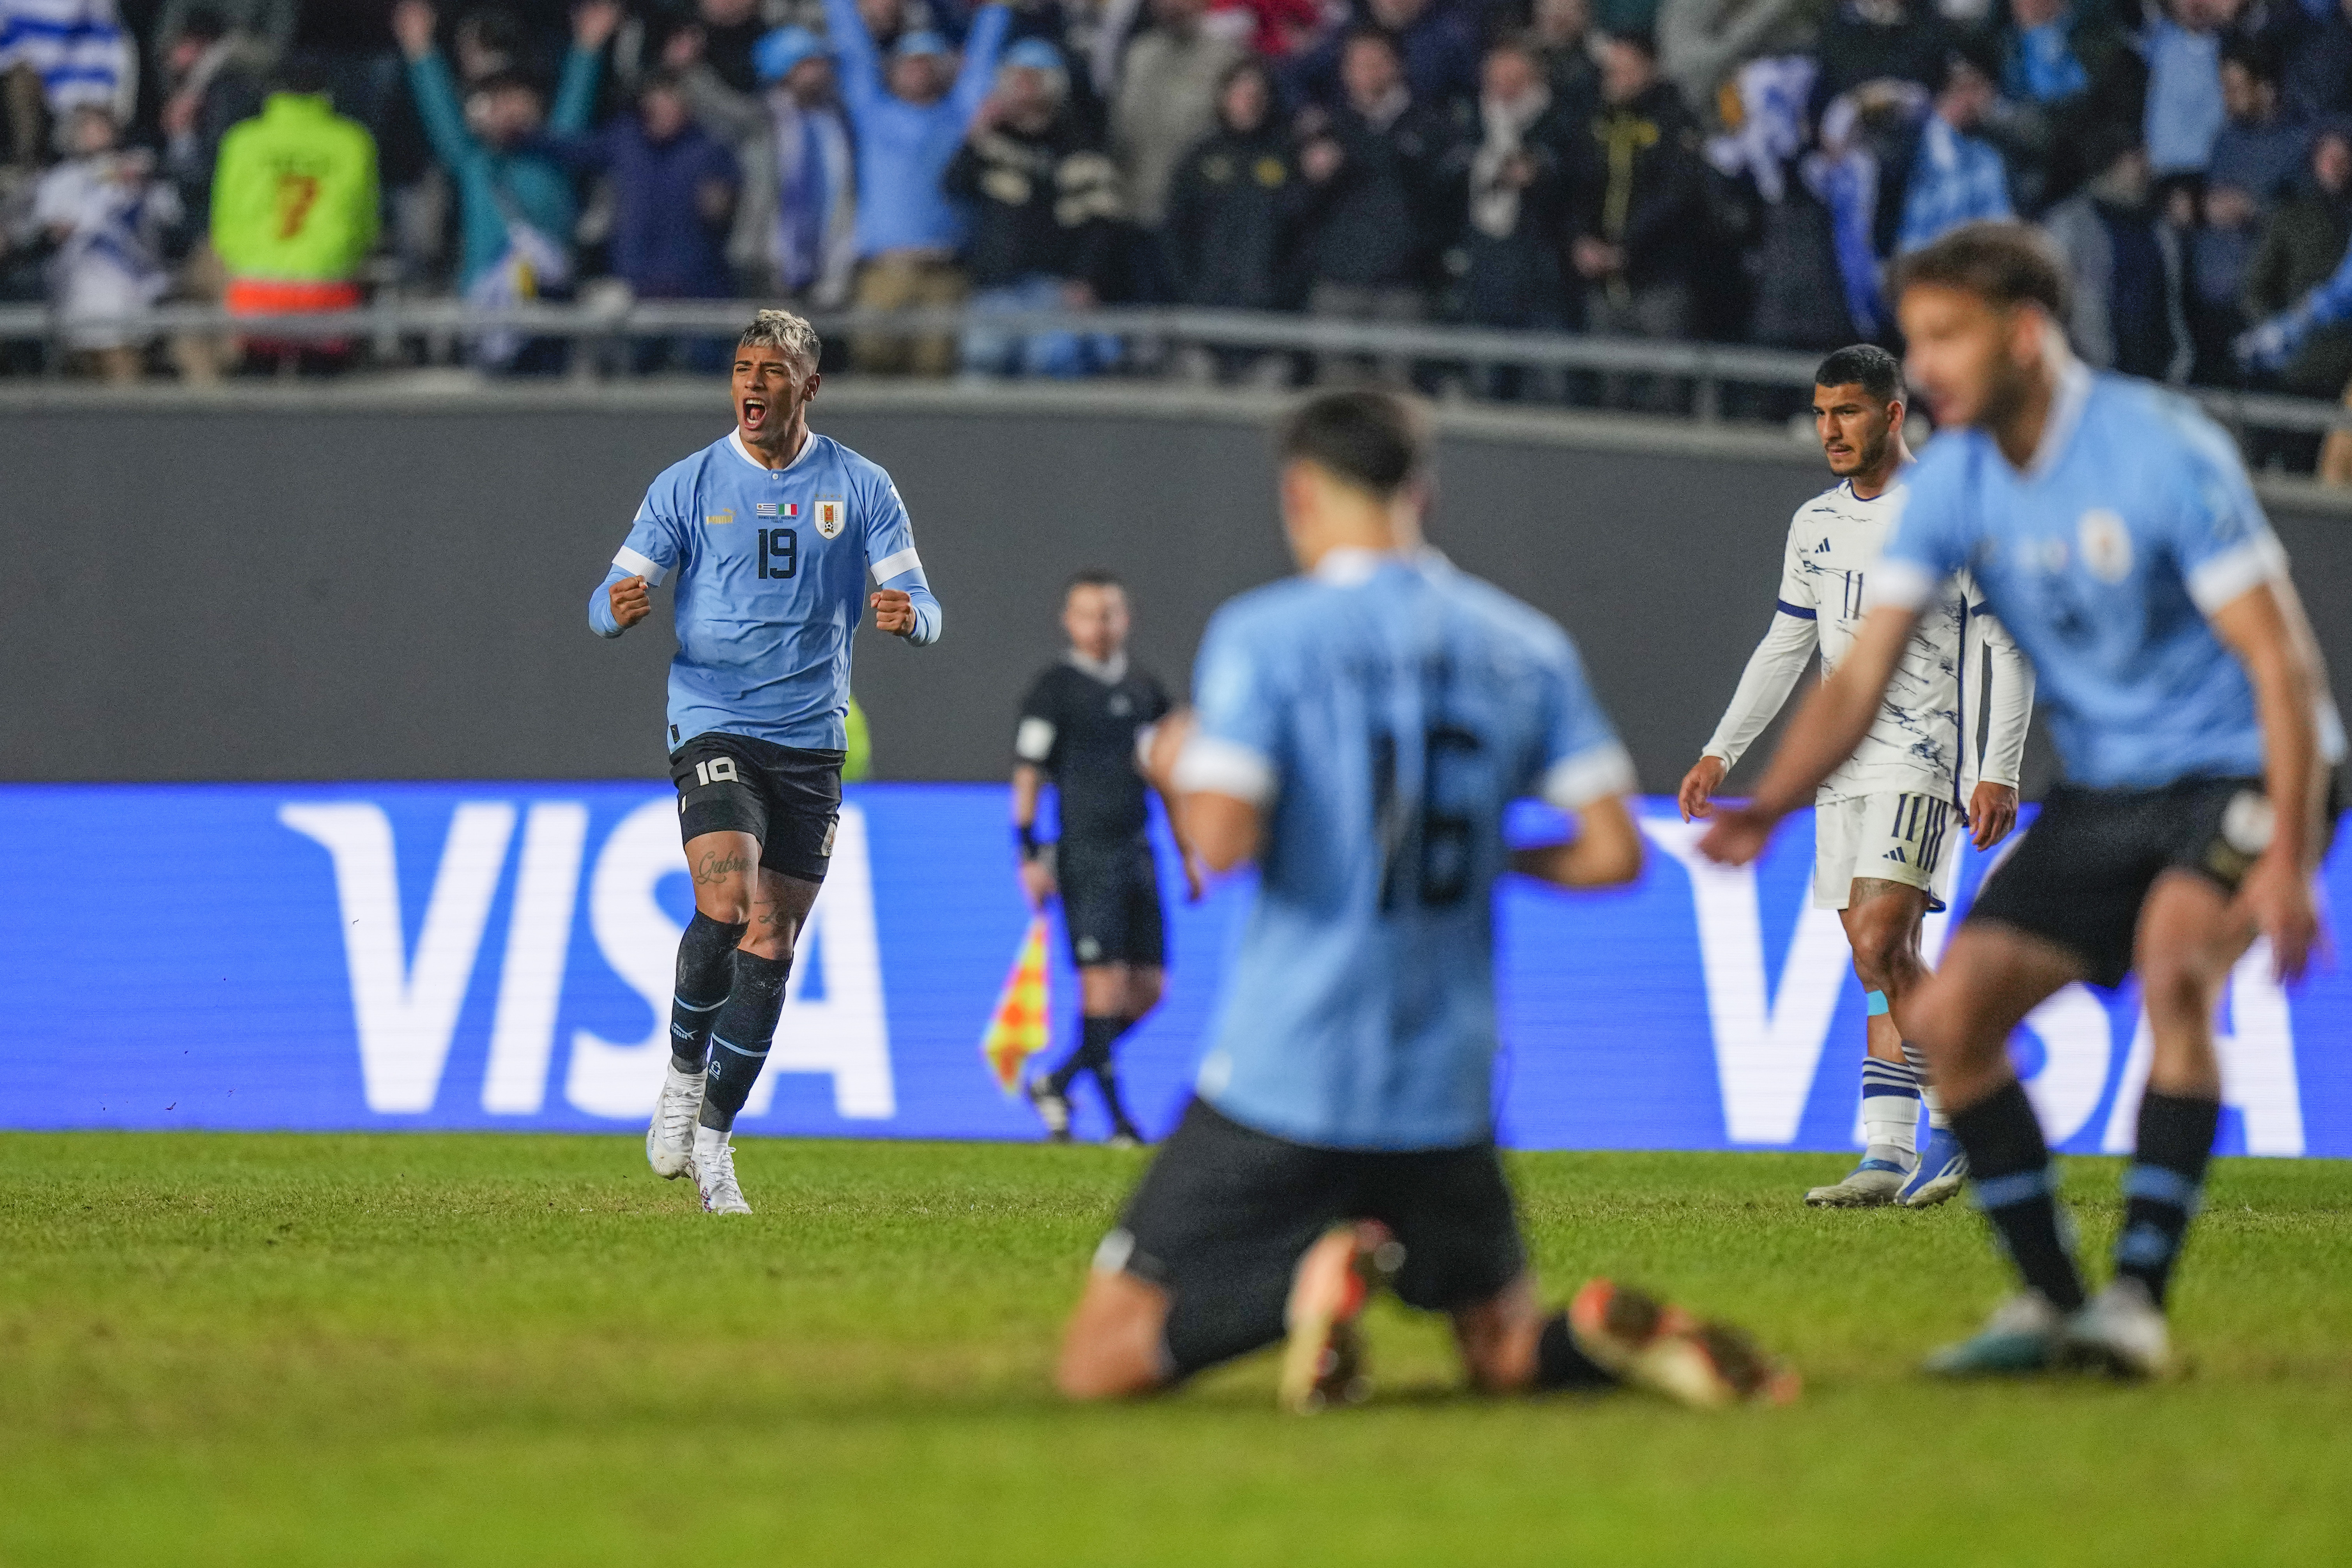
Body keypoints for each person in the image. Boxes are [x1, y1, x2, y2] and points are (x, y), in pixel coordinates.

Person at [1055, 390, 1796, 1413]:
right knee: (1502, 1352)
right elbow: (1614, 852)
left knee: (1102, 1358)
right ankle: (1591, 1330)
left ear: (1300, 494)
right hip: (1444, 1077)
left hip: (1289, 1066)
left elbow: (1219, 844)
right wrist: (1499, 859)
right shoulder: (1520, 643)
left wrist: (1175, 764)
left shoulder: (1266, 636)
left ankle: (1310, 1278)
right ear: (1423, 492)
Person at [1701, 221, 2342, 1379]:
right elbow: (1857, 672)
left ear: (2026, 333)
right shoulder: (1951, 479)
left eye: (1945, 337)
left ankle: (2136, 1300)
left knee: (2176, 969)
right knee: (1948, 1022)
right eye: (1917, 339)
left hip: (2240, 764)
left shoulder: (2157, 450)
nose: (1926, 365)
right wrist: (1766, 799)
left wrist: (2292, 855)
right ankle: (2054, 1306)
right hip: (2109, 786)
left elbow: (2281, 664)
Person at [587, 309, 945, 1215]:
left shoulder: (861, 486)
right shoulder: (690, 482)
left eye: (773, 371)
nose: (753, 385)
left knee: (773, 941)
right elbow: (608, 591)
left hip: (812, 737)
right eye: (743, 368)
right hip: (713, 720)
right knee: (727, 896)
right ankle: (678, 1070)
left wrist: (913, 618)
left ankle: (715, 1140)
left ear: (808, 386)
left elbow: (920, 596)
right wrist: (615, 606)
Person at [1679, 342, 2034, 1210]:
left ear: (1891, 413)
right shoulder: (1815, 522)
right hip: (1839, 767)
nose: (1828, 429)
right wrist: (1721, 749)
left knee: (1880, 938)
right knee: (1876, 961)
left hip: (1920, 758)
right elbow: (1784, 644)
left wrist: (1996, 767)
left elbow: (2006, 642)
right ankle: (1886, 1148)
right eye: (1819, 412)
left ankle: (1962, 1123)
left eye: (1845, 411)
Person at [1014, 571, 1199, 1147]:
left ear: (1127, 617)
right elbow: (1028, 774)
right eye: (1089, 613)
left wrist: (1188, 850)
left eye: (1110, 612)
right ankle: (1120, 1122)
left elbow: (1167, 774)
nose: (1101, 624)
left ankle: (1057, 1080)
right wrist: (1027, 850)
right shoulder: (1055, 688)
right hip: (1085, 853)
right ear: (1069, 620)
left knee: (1149, 988)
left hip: (1138, 850)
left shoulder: (1145, 689)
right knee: (1103, 986)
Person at [392, 0, 614, 369]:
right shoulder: (473, 163)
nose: (508, 107)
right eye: (496, 98)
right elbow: (440, 114)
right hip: (484, 321)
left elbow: (575, 106)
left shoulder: (556, 159)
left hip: (550, 321)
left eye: (518, 96)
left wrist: (587, 49)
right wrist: (420, 52)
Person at [822, 0, 1011, 375]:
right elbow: (853, 48)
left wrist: (998, 10)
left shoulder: (959, 117)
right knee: (872, 367)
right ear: (892, 70)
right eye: (910, 63)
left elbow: (984, 57)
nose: (919, 71)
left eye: (929, 63)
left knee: (935, 378)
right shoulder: (872, 113)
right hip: (882, 271)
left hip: (945, 272)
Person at [944, 37, 1124, 378]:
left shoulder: (1080, 147)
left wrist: (1084, 278)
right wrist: (977, 132)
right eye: (1017, 79)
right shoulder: (993, 141)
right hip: (996, 288)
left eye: (1033, 79)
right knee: (981, 368)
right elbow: (954, 186)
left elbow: (1102, 224)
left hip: (1053, 288)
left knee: (1049, 370)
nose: (1023, 89)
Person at [209, 60, 380, 368]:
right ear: (325, 93)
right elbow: (367, 225)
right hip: (328, 295)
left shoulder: (241, 142)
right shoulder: (354, 142)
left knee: (254, 402)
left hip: (254, 294)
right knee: (327, 406)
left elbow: (222, 223)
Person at [672, 24, 858, 307]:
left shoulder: (837, 121)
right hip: (767, 259)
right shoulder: (764, 120)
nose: (820, 71)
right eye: (808, 63)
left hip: (827, 261)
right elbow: (717, 106)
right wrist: (689, 72)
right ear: (785, 70)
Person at [32, 104, 182, 381]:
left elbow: (169, 215)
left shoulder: (140, 173)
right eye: (89, 128)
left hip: (128, 307)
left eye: (104, 127)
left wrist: (138, 186)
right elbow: (51, 230)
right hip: (77, 305)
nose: (98, 135)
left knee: (125, 395)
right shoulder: (61, 180)